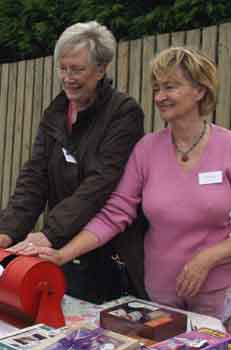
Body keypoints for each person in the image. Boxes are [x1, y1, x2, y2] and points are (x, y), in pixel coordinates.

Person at [11, 47, 231, 318]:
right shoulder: (147, 150)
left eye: (170, 87)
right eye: (157, 88)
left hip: (222, 298)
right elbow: (114, 214)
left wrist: (208, 258)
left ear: (200, 91)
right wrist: (61, 255)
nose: (160, 97)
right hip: (160, 299)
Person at [0, 21, 146, 303]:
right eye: (63, 68)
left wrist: (50, 233)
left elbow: (100, 183)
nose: (67, 77)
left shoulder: (123, 113)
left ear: (101, 69)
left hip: (105, 250)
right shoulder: (56, 112)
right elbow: (35, 176)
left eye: (77, 69)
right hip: (60, 244)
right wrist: (8, 231)